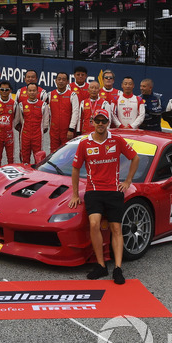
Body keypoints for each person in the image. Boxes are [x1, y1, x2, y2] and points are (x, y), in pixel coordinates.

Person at [68, 108, 140, 285]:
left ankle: (117, 268)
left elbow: (135, 158)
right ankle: (101, 265)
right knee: (94, 224)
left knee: (116, 228)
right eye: (97, 121)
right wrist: (75, 194)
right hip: (93, 190)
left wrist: (128, 181)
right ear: (92, 122)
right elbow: (75, 169)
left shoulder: (116, 140)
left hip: (114, 190)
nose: (100, 124)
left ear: (108, 122)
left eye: (104, 121)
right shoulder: (85, 143)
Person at [16, 83, 49, 164]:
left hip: (37, 136)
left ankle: (37, 175)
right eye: (30, 91)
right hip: (25, 136)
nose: (32, 92)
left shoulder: (43, 105)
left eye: (34, 90)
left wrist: (41, 131)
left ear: (38, 92)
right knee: (25, 157)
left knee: (38, 157)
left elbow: (45, 122)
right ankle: (25, 173)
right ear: (26, 92)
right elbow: (17, 121)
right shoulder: (21, 105)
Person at [0, 81, 18, 168]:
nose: (4, 91)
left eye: (7, 89)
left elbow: (16, 119)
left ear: (10, 91)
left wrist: (9, 127)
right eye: (2, 89)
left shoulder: (14, 104)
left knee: (11, 158)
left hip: (10, 135)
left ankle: (10, 178)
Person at [48, 71, 77, 152]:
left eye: (63, 79)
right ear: (55, 81)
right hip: (54, 130)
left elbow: (75, 113)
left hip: (67, 131)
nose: (61, 81)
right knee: (53, 152)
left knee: (67, 152)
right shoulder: (50, 94)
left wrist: (71, 129)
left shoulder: (72, 95)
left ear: (67, 82)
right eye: (59, 79)